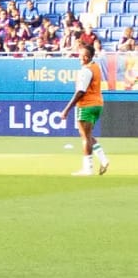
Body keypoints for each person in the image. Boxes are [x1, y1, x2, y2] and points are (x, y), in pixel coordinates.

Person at [55, 40, 110, 176]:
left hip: (86, 105)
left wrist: (66, 110)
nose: (79, 57)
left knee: (85, 137)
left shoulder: (86, 71)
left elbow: (80, 91)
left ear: (86, 57)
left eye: (80, 55)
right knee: (88, 135)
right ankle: (103, 159)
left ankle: (87, 168)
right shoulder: (95, 66)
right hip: (97, 104)